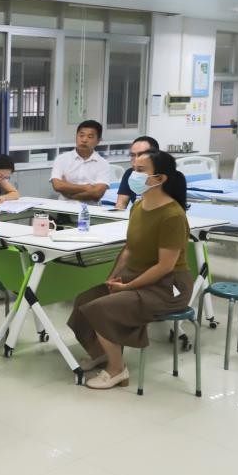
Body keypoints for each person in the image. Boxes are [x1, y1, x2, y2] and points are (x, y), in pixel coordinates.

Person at [67, 151, 192, 390]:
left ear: (159, 179)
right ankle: (102, 353)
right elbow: (129, 250)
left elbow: (165, 266)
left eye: (141, 170)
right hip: (136, 277)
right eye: (134, 168)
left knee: (101, 309)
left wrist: (127, 287)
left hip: (168, 287)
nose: (133, 174)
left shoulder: (172, 216)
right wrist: (112, 279)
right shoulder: (138, 206)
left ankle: (117, 370)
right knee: (85, 300)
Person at [50, 120, 112, 203]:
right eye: (81, 135)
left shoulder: (103, 164)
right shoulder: (61, 159)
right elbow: (57, 186)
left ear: (98, 141)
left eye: (90, 137)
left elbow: (97, 193)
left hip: (90, 208)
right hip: (64, 207)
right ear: (76, 137)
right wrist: (86, 188)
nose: (84, 140)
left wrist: (68, 193)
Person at [115, 136, 160, 209]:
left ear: (155, 156)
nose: (136, 159)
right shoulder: (130, 173)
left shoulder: (167, 175)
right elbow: (121, 204)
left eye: (141, 155)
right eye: (133, 155)